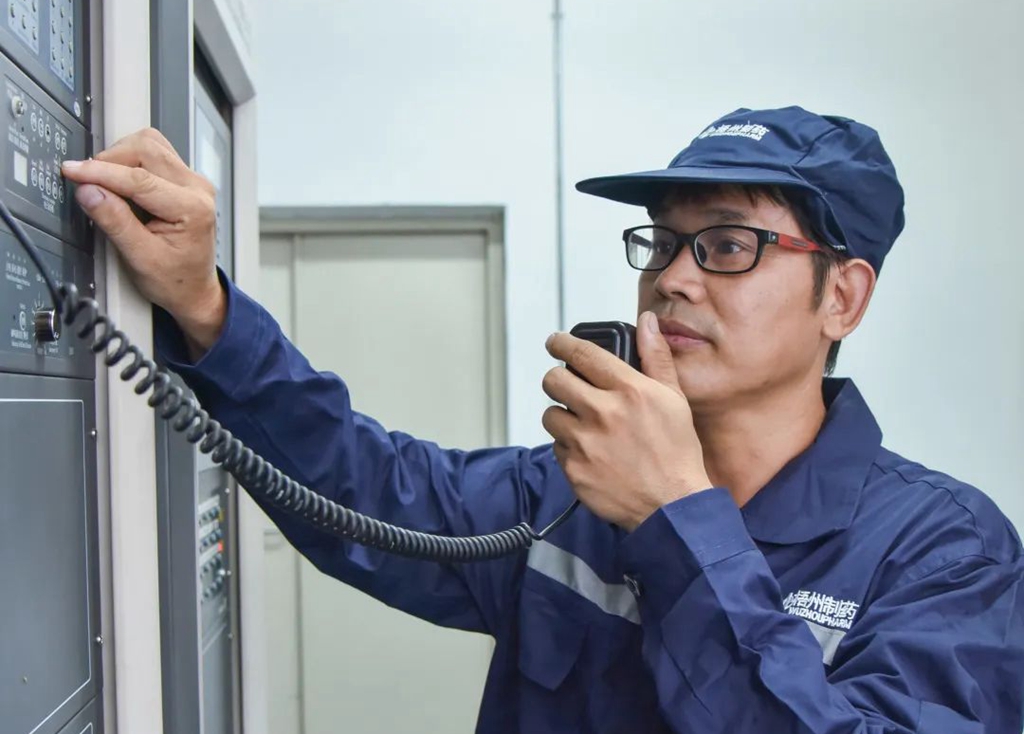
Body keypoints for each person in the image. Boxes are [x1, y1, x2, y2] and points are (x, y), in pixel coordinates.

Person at [61, 105, 1024, 733]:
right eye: (664, 243)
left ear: (842, 298)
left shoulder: (945, 553)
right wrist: (205, 308)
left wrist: (676, 519)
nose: (674, 279)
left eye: (729, 245)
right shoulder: (563, 496)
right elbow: (359, 487)